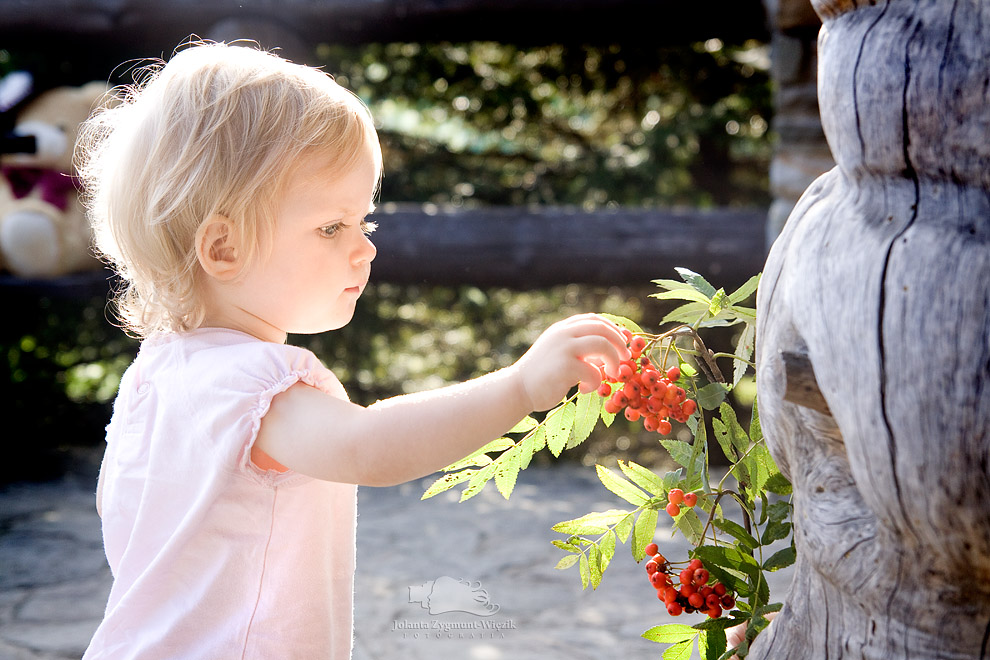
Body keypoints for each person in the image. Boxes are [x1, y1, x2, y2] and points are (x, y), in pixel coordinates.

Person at [76, 42, 629, 659]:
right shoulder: (255, 386)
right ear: (223, 248)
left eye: (363, 222)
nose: (364, 248)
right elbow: (370, 448)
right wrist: (520, 386)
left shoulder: (155, 375)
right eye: (331, 227)